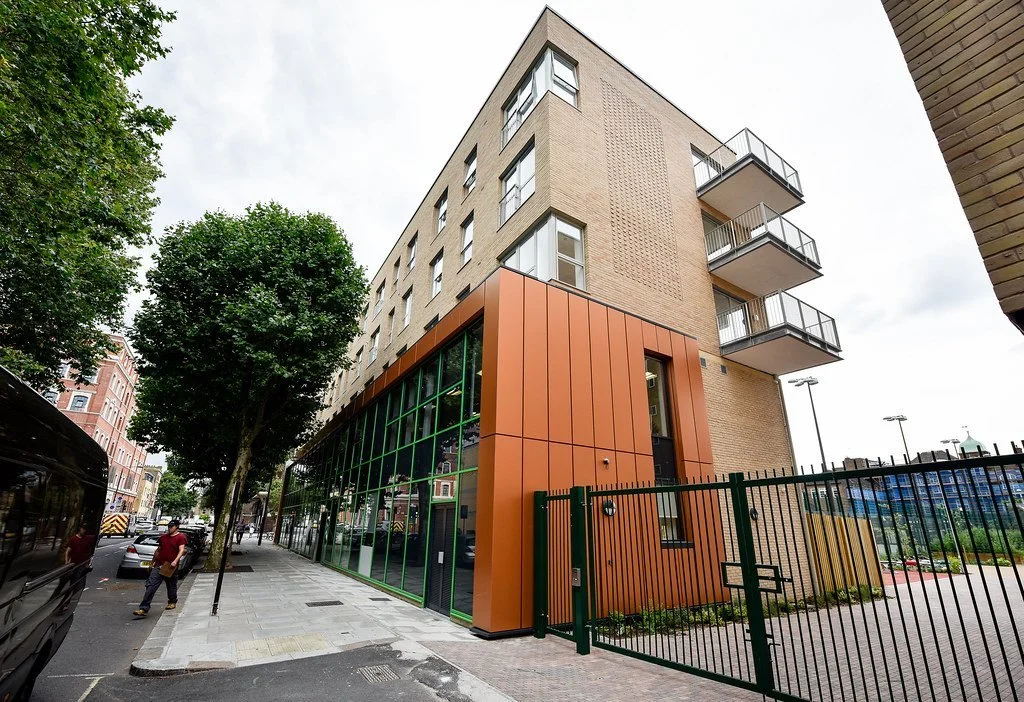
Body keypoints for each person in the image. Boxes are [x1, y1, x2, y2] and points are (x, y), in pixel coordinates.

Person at [133, 519, 187, 616]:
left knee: (171, 586)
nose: (170, 528)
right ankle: (143, 608)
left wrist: (175, 561)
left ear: (177, 527)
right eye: (169, 526)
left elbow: (181, 550)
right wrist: (152, 563)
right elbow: (158, 550)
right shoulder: (163, 538)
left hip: (170, 566)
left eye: (172, 526)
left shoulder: (180, 537)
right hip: (158, 565)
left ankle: (172, 601)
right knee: (151, 586)